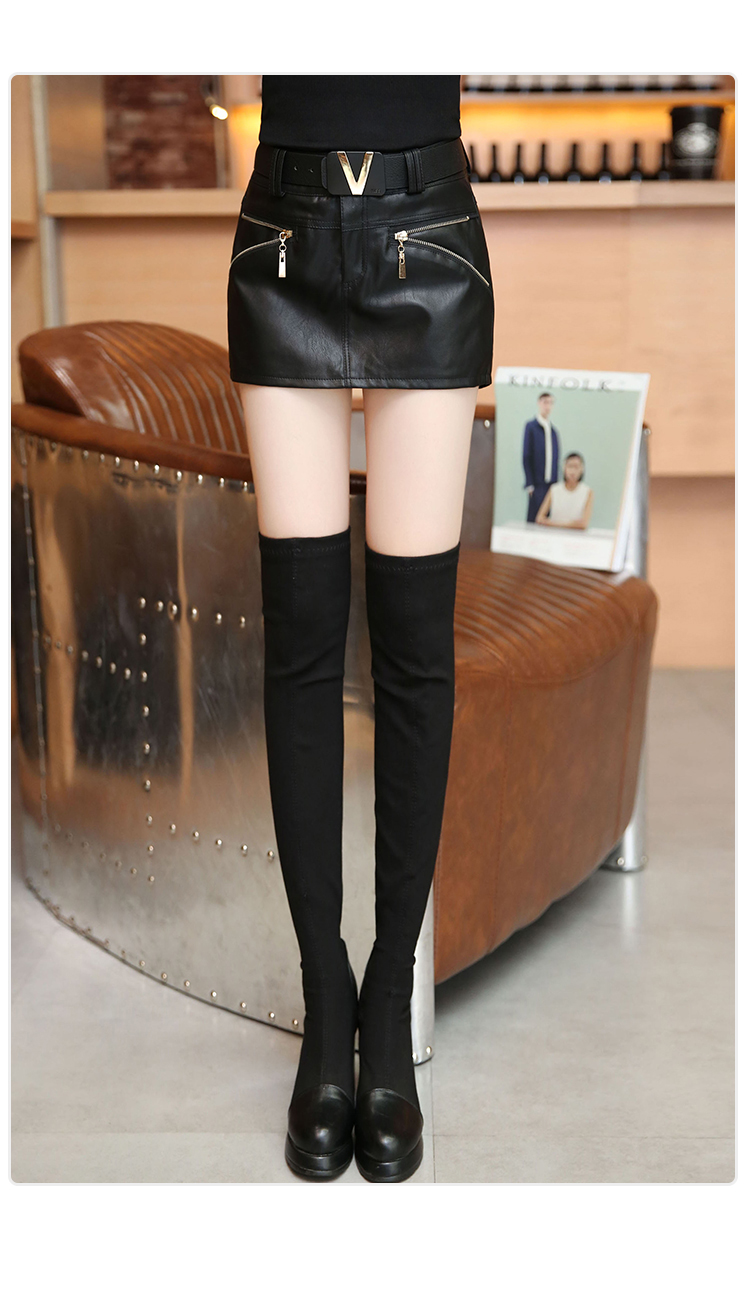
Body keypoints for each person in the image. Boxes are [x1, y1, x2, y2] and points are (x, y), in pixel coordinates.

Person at [227, 75, 494, 1183]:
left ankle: (386, 1003)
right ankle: (323, 997)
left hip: (429, 233)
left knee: (414, 652)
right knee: (299, 646)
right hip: (283, 241)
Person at [522, 391, 560, 523]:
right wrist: (530, 483)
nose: (548, 406)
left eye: (550, 403)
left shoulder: (553, 431)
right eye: (545, 402)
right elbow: (526, 456)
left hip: (551, 484)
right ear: (539, 403)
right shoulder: (531, 427)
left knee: (548, 519)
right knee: (534, 518)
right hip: (537, 483)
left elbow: (555, 459)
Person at [535, 452, 593, 528]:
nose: (573, 471)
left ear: (582, 469)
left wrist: (553, 523)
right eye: (570, 466)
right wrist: (571, 524)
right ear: (564, 468)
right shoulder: (554, 489)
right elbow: (539, 518)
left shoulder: (588, 492)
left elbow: (583, 524)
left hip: (576, 535)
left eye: (576, 467)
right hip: (554, 533)